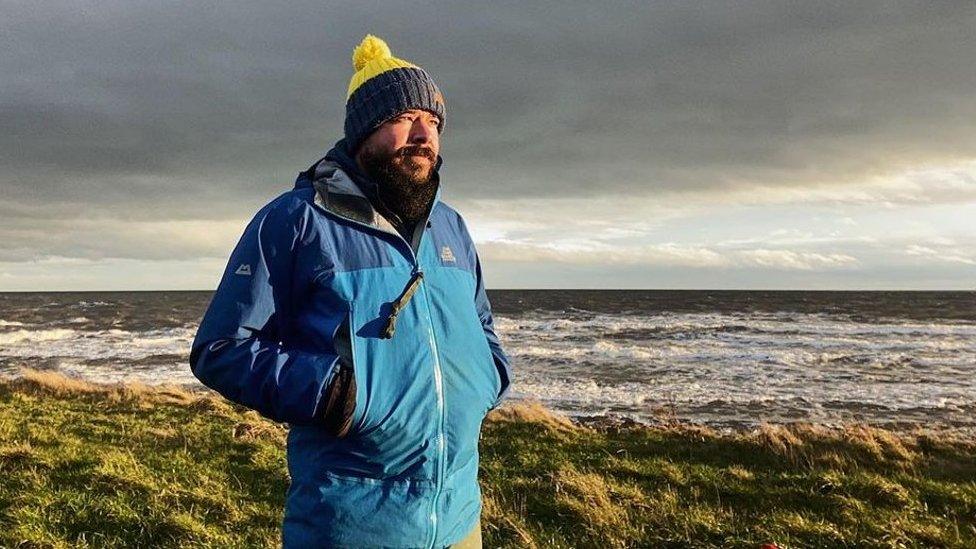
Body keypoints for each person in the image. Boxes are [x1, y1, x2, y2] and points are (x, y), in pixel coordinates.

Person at [189, 34, 512, 548]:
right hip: (353, 524)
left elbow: (482, 324)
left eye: (434, 122)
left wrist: (488, 376)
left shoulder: (451, 228)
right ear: (365, 130)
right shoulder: (296, 221)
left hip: (458, 519)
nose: (423, 134)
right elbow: (222, 348)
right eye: (405, 117)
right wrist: (336, 394)